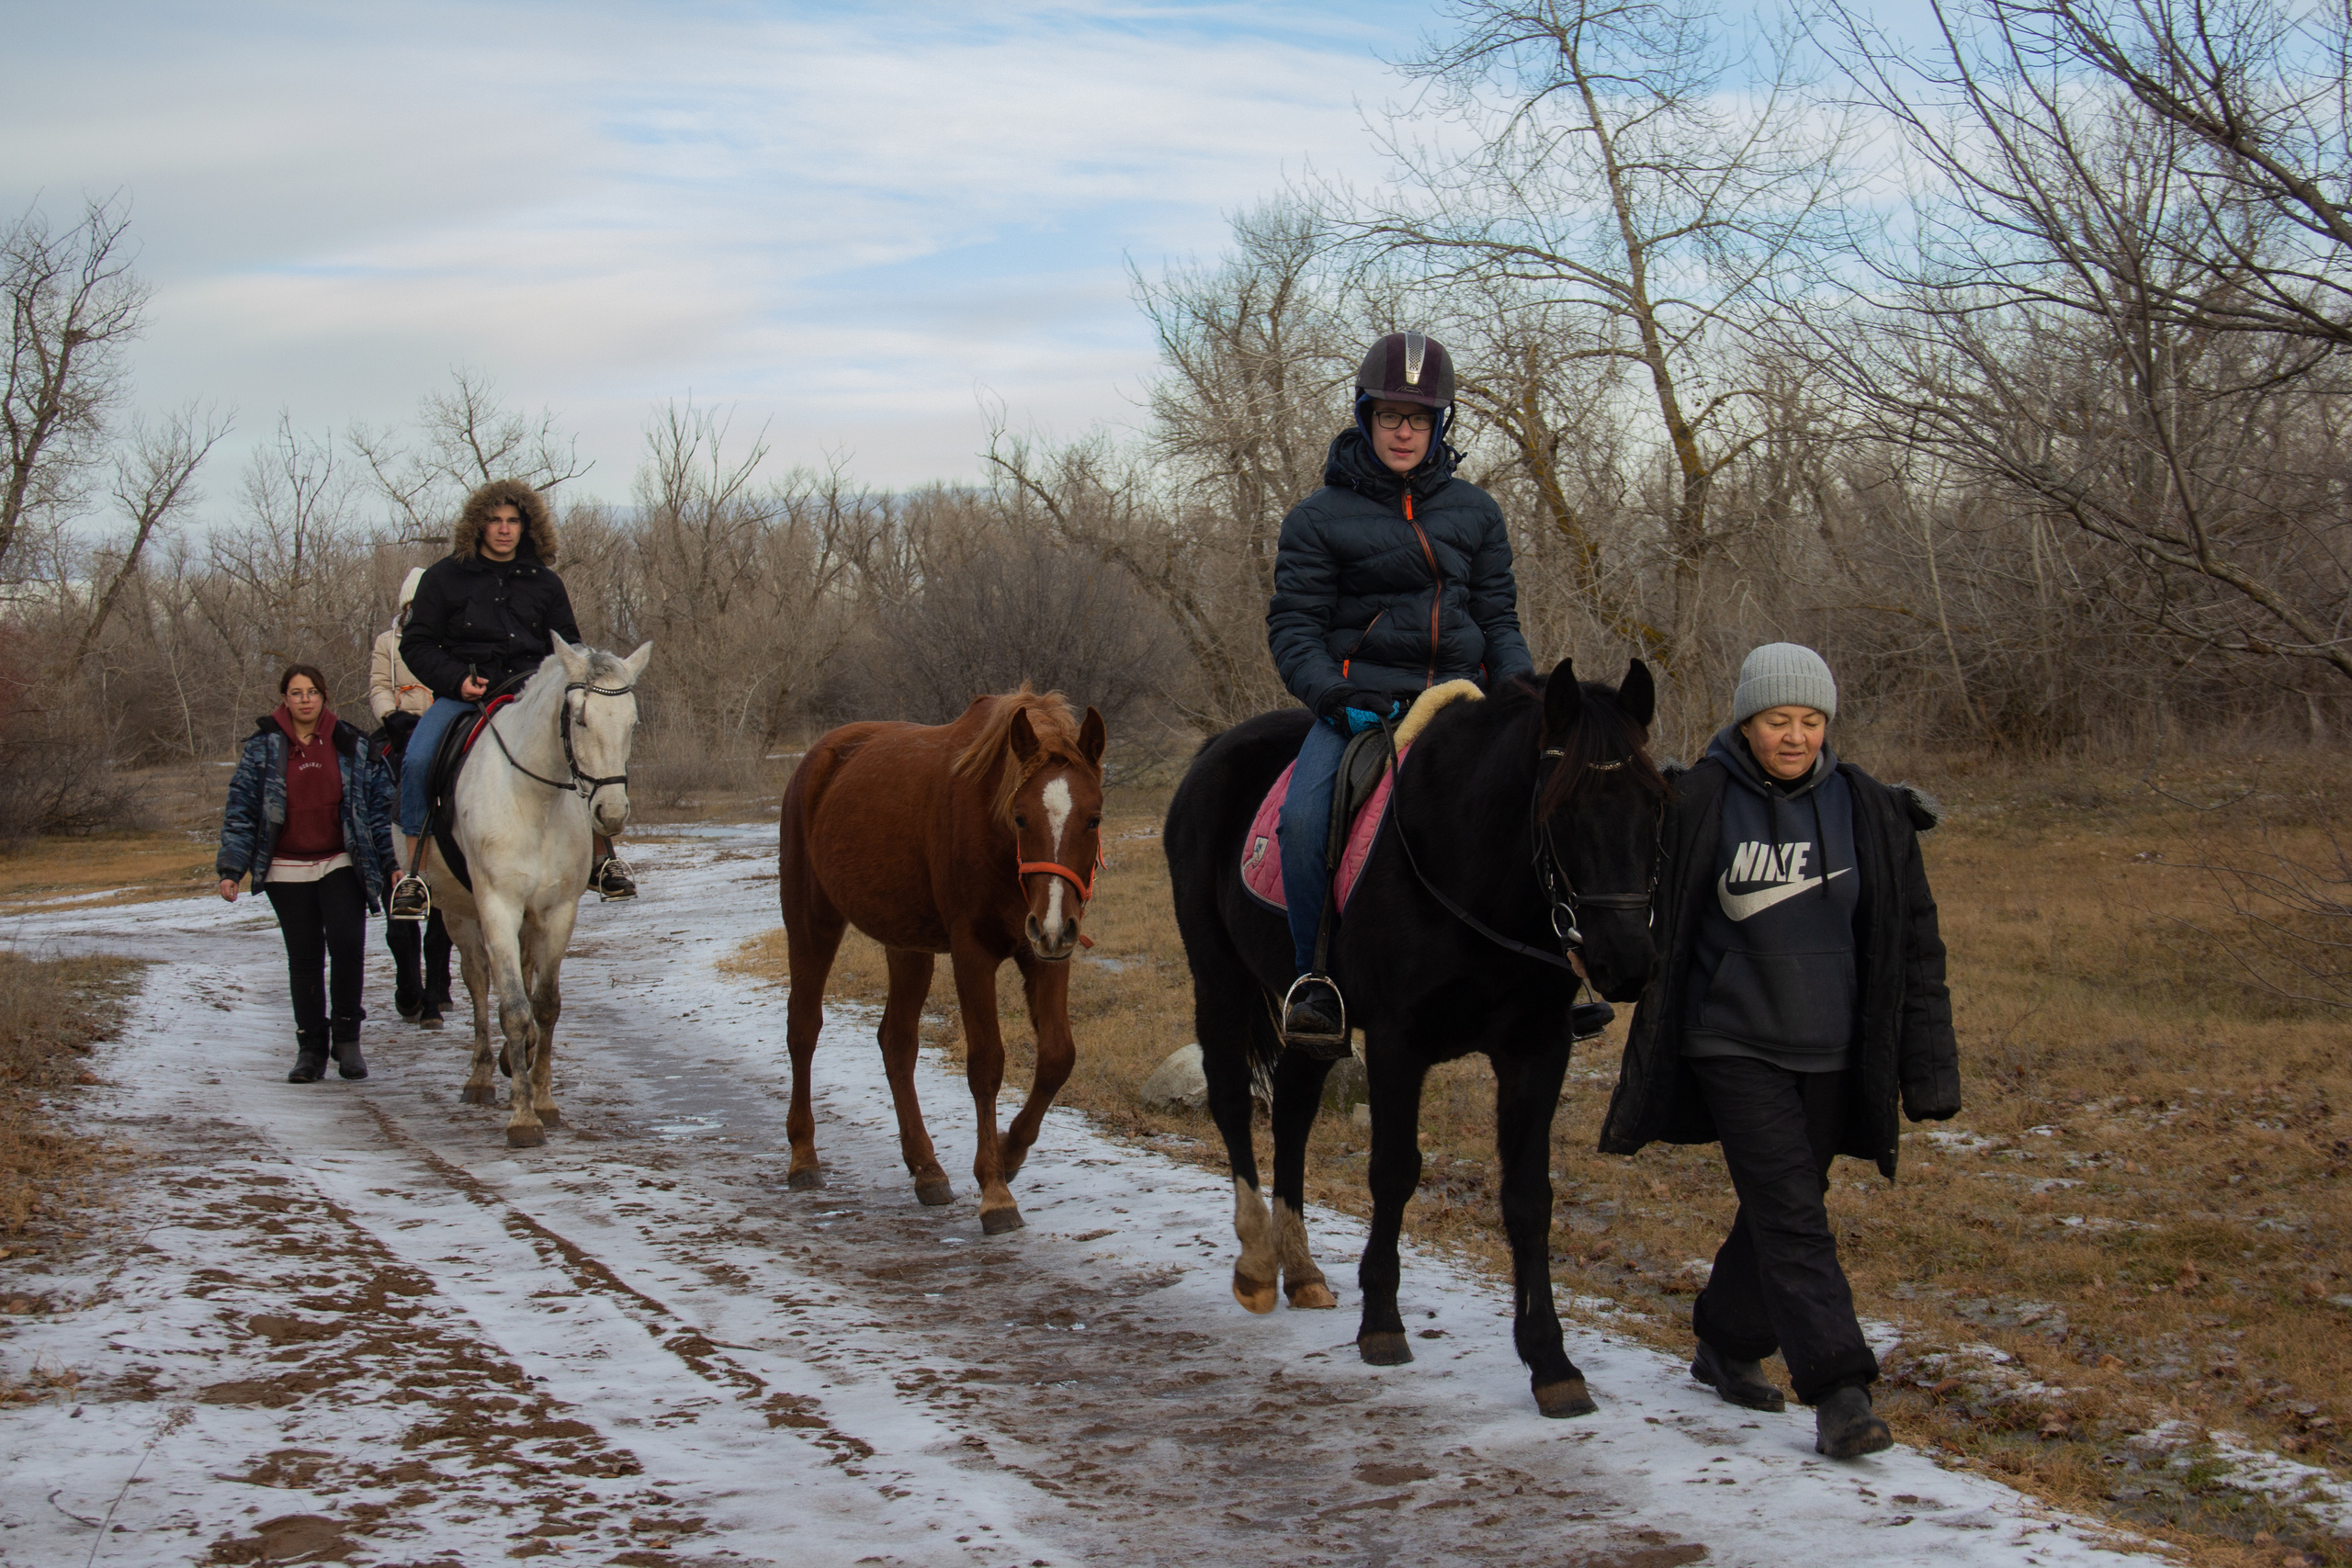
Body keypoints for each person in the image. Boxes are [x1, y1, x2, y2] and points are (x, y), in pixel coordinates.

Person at [1597, 643, 1962, 1459]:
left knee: (1782, 1210)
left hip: (1833, 1044)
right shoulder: (1694, 801)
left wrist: (1929, 1070)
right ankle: (1839, 1388)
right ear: (1746, 721)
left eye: (1809, 720)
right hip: (1732, 1039)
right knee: (1795, 1214)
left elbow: (1914, 945)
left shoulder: (1869, 807)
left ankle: (1726, 1338)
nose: (1794, 736)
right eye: (1776, 720)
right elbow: (1615, 883)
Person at [1263, 330, 1533, 1048]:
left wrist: (1521, 695)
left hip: (1463, 701)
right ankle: (1313, 978)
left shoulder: (1477, 512)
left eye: (1419, 418)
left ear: (1440, 423)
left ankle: (1547, 976)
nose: (1404, 431)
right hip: (1363, 706)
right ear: (1365, 416)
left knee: (1548, 798)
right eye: (1390, 416)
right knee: (1304, 821)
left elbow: (1498, 618)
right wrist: (1331, 697)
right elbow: (1295, 629)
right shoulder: (1316, 519)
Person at [389, 478, 635, 919]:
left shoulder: (544, 582)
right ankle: (415, 873)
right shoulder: (444, 577)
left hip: (533, 698)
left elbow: (571, 648)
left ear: (527, 527)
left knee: (590, 748)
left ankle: (603, 859)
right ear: (478, 526)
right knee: (417, 760)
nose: (504, 529)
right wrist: (455, 680)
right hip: (467, 697)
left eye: (513, 521)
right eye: (495, 521)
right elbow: (417, 644)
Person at [217, 664, 399, 1083]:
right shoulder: (263, 747)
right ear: (284, 699)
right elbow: (242, 809)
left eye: (312, 692)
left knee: (348, 946)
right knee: (304, 959)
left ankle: (348, 1040)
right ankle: (311, 1049)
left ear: (325, 697)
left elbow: (377, 809)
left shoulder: (350, 742)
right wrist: (231, 868)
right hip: (285, 867)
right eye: (296, 693)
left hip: (341, 860)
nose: (305, 700)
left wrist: (392, 864)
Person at [369, 567, 454, 1025]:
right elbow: (380, 686)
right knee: (369, 777)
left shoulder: (451, 641)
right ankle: (391, 856)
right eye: (412, 606)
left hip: (443, 724)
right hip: (400, 730)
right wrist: (390, 716)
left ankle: (439, 982)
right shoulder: (388, 642)